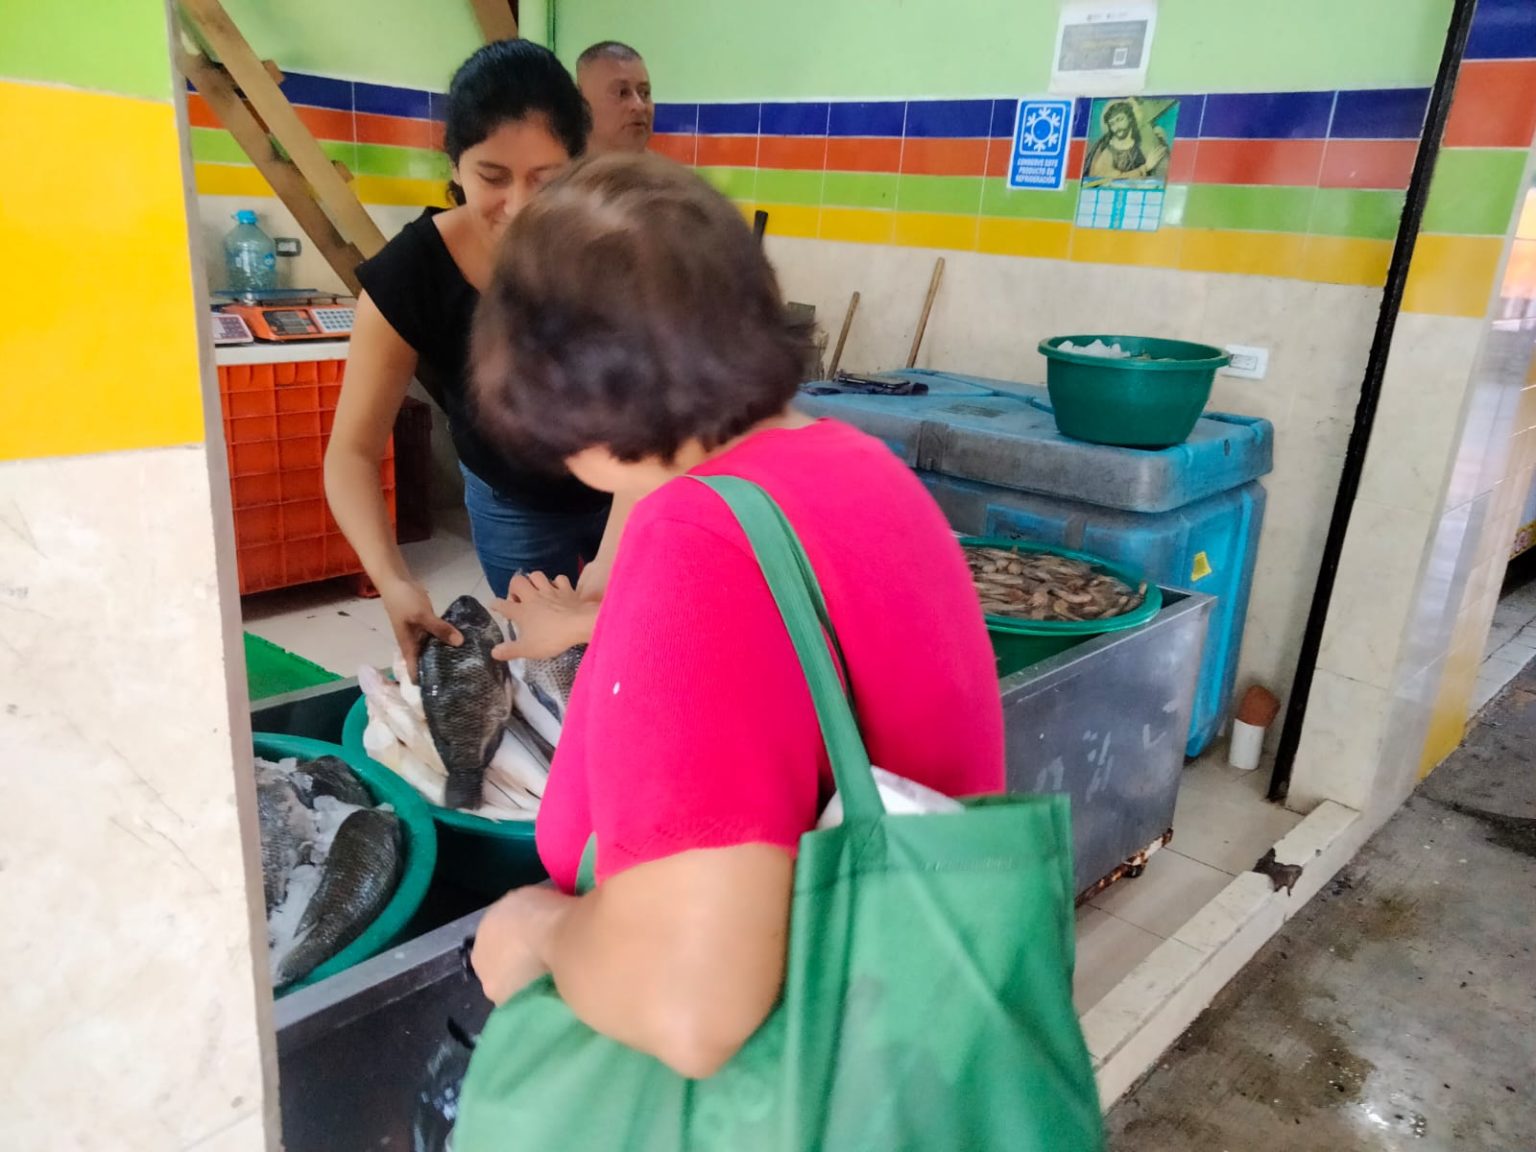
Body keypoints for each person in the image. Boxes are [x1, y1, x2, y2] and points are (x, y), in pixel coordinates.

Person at [465, 153, 1005, 1077]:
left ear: (571, 400)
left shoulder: (698, 538)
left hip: (795, 1088)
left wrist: (538, 932)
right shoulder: (862, 468)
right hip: (917, 1044)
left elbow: (694, 1007)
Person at [325, 40, 614, 672]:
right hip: (513, 503)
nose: (520, 205)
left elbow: (667, 429)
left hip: (633, 484)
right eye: (492, 177)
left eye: (546, 179)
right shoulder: (411, 274)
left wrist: (609, 568)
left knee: (634, 650)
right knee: (551, 671)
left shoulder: (615, 249)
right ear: (455, 165)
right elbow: (350, 452)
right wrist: (392, 579)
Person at [575, 41, 653, 154]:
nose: (639, 106)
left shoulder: (665, 166)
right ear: (581, 104)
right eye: (622, 93)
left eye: (645, 93)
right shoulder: (558, 164)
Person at [1083, 98, 1168, 185]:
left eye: (1120, 119)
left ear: (1130, 118)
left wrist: (1162, 141)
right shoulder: (1108, 152)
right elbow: (1109, 180)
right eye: (1112, 124)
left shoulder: (1138, 143)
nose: (1116, 127)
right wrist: (1145, 168)